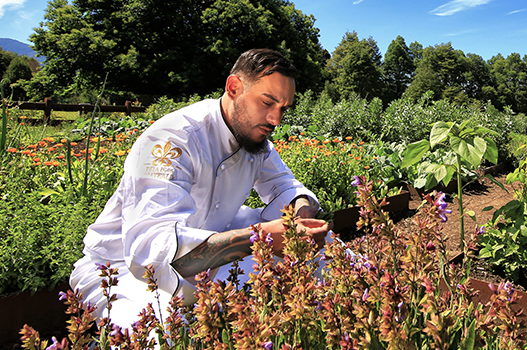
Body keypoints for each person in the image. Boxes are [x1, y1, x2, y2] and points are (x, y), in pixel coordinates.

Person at [69, 49, 331, 328]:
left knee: (329, 255)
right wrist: (261, 238)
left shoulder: (253, 138)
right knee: (159, 334)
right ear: (234, 88)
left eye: (283, 108)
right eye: (267, 102)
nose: (275, 120)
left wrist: (300, 213)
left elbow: (283, 184)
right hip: (121, 272)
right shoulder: (171, 140)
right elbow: (153, 252)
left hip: (211, 259)